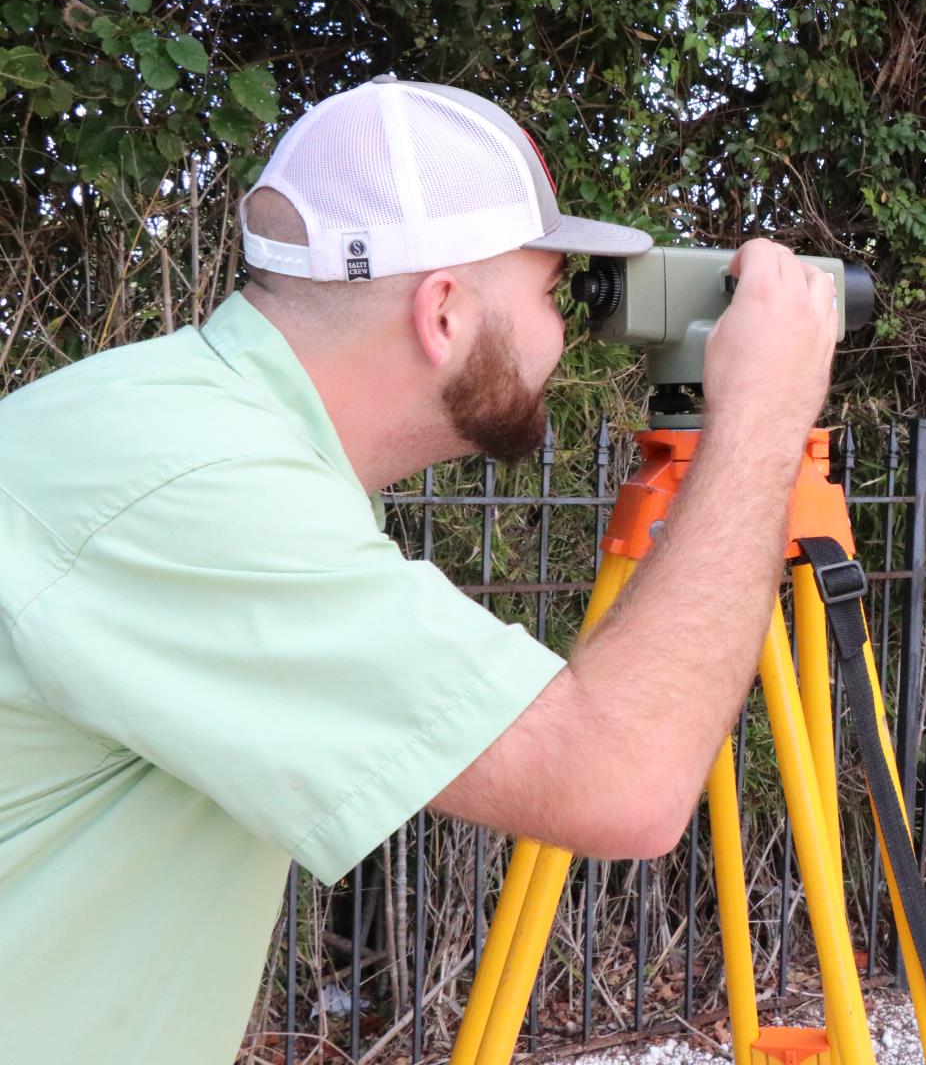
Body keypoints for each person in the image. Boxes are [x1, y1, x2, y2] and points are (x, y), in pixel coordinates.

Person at [0, 76, 841, 1063]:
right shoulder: (201, 492)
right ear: (442, 312)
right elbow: (626, 780)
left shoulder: (172, 429)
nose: (567, 332)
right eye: (549, 290)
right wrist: (759, 420)